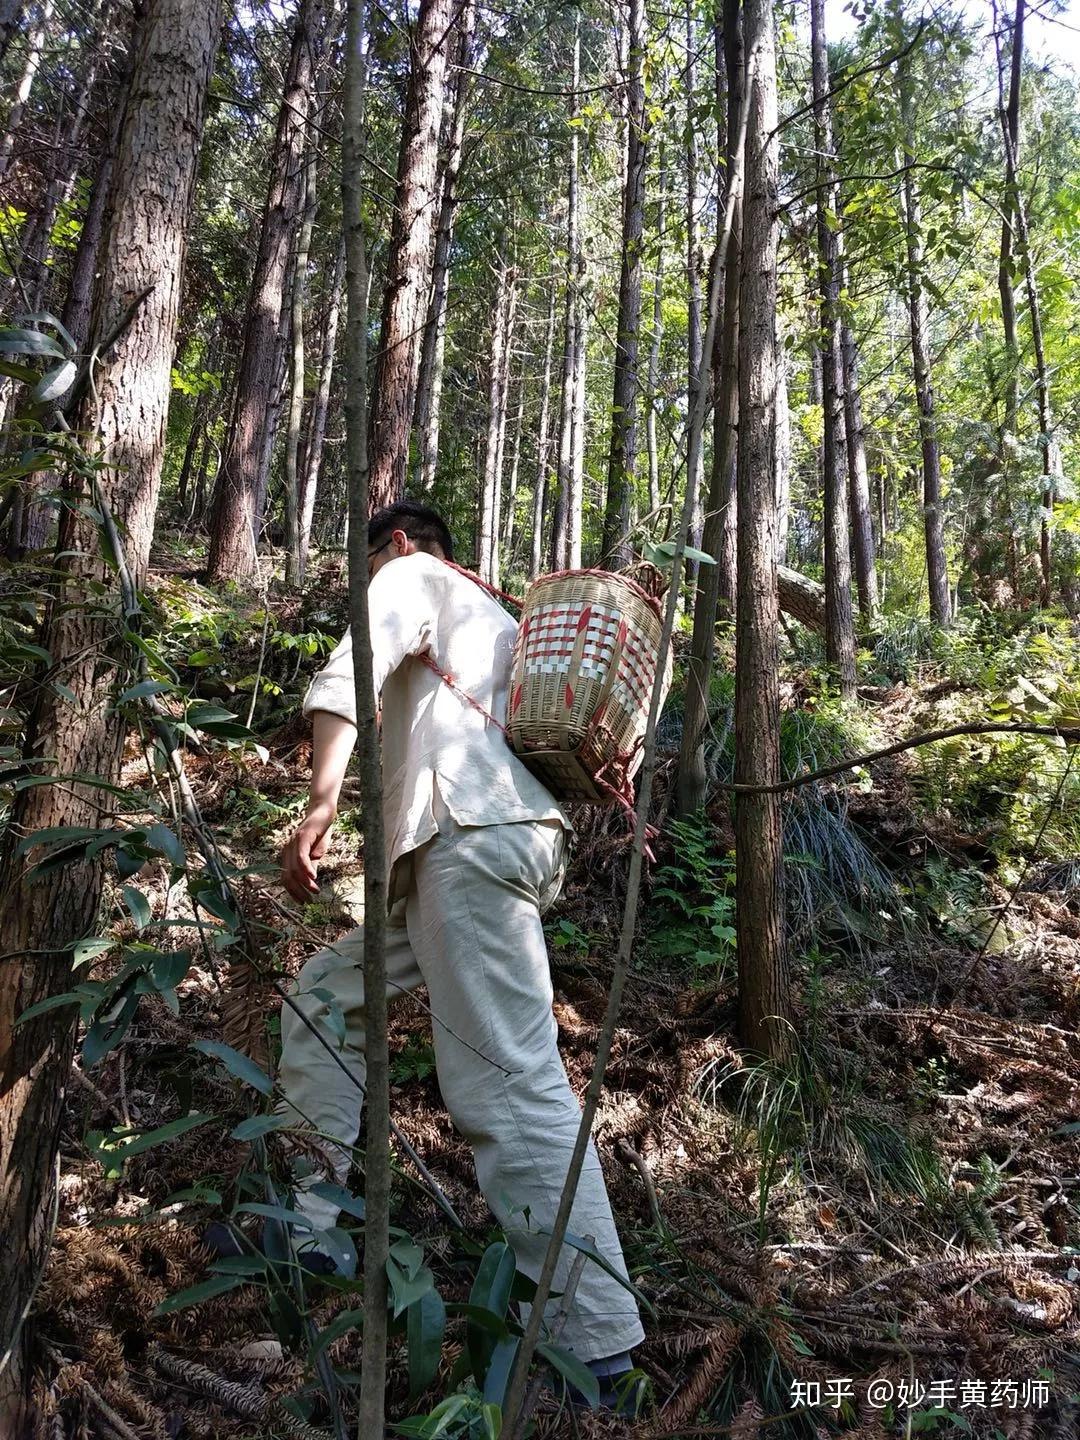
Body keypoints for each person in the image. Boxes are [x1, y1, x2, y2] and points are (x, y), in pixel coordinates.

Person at [276, 500, 645, 1398]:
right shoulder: (510, 624)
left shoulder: (414, 576)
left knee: (506, 1077)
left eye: (370, 561)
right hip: (487, 845)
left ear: (398, 545)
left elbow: (353, 670)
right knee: (324, 998)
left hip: (465, 838)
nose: (368, 578)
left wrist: (321, 800)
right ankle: (311, 1232)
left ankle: (591, 1337)